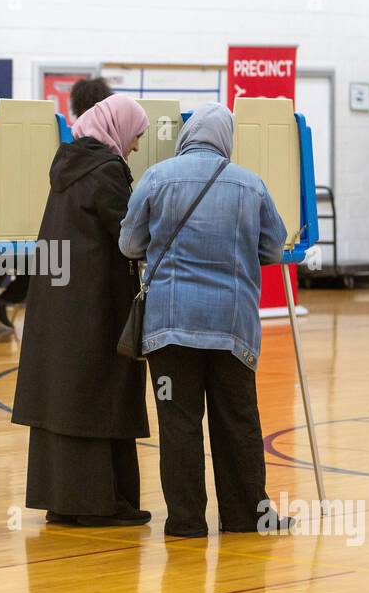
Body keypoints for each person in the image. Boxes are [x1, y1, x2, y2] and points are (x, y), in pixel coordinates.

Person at [119, 103, 294, 537]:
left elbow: (128, 243)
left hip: (170, 328)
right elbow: (274, 250)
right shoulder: (250, 185)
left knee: (179, 422)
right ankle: (245, 516)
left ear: (187, 135)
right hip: (231, 329)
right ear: (225, 139)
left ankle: (186, 520)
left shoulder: (156, 177)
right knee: (237, 420)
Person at [11, 94, 152, 527]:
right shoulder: (106, 172)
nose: (136, 146)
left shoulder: (71, 163)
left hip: (59, 301)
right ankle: (99, 503)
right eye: (136, 136)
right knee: (97, 392)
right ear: (118, 128)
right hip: (94, 303)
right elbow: (130, 238)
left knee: (64, 396)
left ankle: (65, 500)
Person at [0, 76, 117, 331]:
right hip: (60, 232)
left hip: (27, 224)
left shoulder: (62, 135)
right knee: (37, 261)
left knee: (13, 258)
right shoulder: (88, 143)